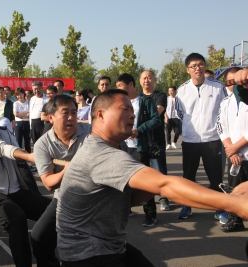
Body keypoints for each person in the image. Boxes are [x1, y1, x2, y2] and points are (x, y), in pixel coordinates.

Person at [56, 89, 248, 266]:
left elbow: (130, 198)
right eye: (124, 109)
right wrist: (232, 203)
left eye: (133, 110)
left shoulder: (112, 147)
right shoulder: (101, 154)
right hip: (87, 255)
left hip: (107, 245)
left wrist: (233, 197)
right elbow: (165, 185)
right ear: (100, 114)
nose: (132, 114)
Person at [0, 99, 51, 266]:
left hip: (13, 189)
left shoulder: (4, 131)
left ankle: (47, 260)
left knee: (52, 212)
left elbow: (19, 152)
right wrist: (27, 157)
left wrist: (38, 156)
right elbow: (2, 148)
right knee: (17, 218)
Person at [31, 95, 91, 267]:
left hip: (94, 197)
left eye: (74, 112)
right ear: (50, 117)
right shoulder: (42, 144)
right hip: (64, 197)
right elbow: (49, 183)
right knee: (38, 237)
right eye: (65, 113)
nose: (72, 118)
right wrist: (69, 169)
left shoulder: (90, 133)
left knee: (95, 244)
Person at [175, 52, 228, 222]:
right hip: (190, 140)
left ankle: (219, 208)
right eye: (193, 66)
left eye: (200, 64)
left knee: (215, 177)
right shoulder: (182, 90)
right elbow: (180, 114)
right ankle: (187, 206)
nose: (198, 68)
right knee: (188, 176)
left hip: (212, 139)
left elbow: (224, 112)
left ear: (205, 66)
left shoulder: (218, 87)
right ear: (187, 70)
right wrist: (191, 129)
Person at [116, 73, 162, 223]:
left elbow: (156, 120)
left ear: (130, 85)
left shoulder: (145, 100)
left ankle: (150, 213)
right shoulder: (120, 102)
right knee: (124, 180)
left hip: (140, 147)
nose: (118, 89)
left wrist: (139, 130)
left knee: (144, 182)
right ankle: (125, 209)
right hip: (123, 147)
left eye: (120, 86)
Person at [216, 67, 248, 232]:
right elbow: (221, 127)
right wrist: (231, 149)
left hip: (245, 151)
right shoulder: (225, 103)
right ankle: (235, 220)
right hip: (234, 155)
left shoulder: (246, 100)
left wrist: (236, 147)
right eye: (230, 82)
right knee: (235, 189)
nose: (234, 85)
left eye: (238, 81)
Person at [140, 70, 170, 213]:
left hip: (156, 141)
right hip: (140, 142)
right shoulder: (137, 97)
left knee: (160, 172)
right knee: (143, 174)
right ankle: (145, 200)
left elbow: (157, 112)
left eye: (150, 78)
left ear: (154, 80)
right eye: (144, 78)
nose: (147, 80)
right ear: (140, 81)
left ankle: (164, 197)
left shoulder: (160, 95)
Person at [13, 87, 31, 153]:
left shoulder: (29, 102)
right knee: (18, 141)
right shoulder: (15, 103)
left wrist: (21, 115)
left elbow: (30, 113)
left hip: (27, 123)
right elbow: (16, 114)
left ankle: (28, 156)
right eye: (17, 95)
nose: (19, 96)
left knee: (27, 141)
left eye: (20, 94)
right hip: (18, 123)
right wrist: (25, 114)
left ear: (24, 94)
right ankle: (19, 157)